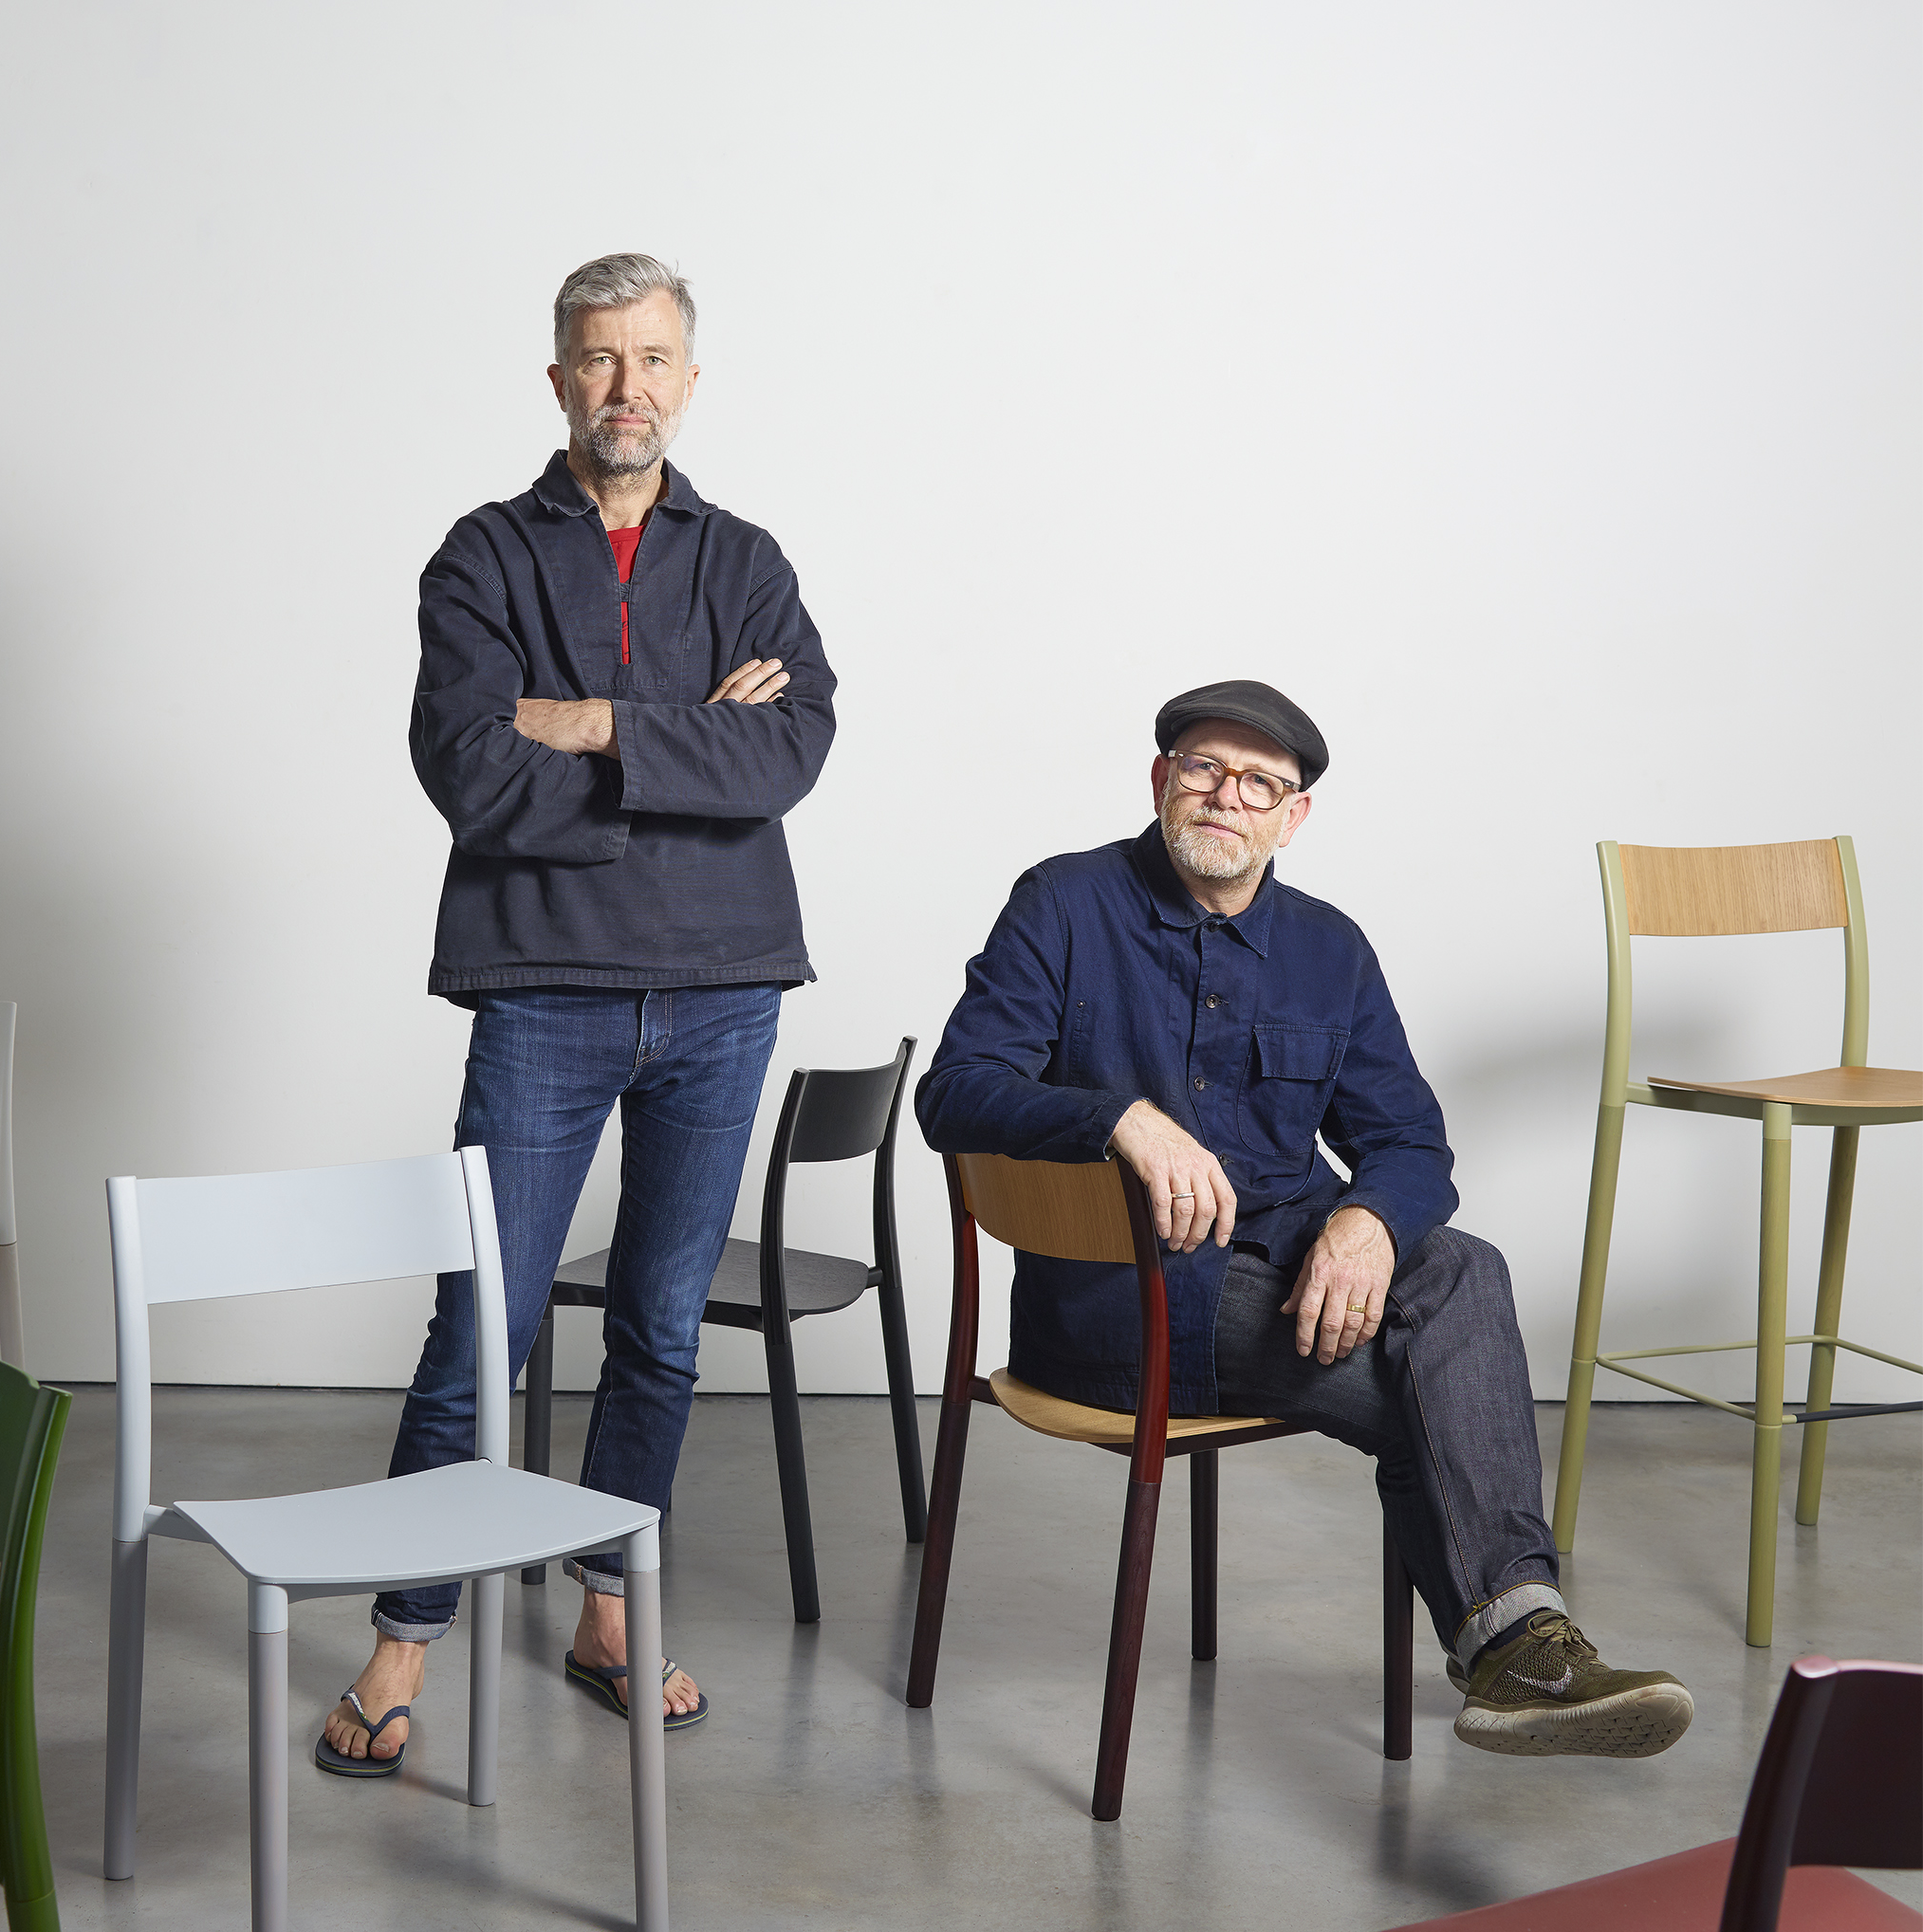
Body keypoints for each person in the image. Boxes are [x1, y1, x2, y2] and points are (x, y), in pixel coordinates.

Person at [914, 678, 1692, 1758]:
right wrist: (1119, 1119)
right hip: (1123, 1301)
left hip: (1282, 1266)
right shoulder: (1063, 903)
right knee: (1427, 1393)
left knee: (1463, 1267)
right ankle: (1519, 1649)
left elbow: (1411, 1141)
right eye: (1203, 768)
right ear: (1161, 779)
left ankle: (1515, 1649)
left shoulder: (1331, 950)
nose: (1226, 796)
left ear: (1294, 815)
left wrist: (1366, 1221)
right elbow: (953, 1092)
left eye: (1259, 783)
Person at [320, 253, 835, 1771]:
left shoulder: (745, 560)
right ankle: (400, 1638)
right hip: (541, 986)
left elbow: (791, 753)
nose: (628, 387)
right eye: (600, 360)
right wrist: (683, 756)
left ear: (690, 378)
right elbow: (473, 772)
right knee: (481, 1322)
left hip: (726, 995)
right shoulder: (481, 556)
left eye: (653, 358)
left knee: (661, 1331)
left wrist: (597, 722)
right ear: (558, 379)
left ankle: (612, 1607)